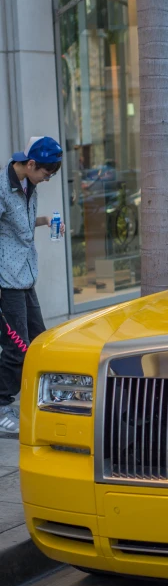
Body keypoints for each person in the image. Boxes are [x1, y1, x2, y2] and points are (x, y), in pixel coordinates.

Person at [0, 136, 65, 437]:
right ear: (30, 164)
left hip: (24, 275)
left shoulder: (29, 185)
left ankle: (44, 396)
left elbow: (19, 226)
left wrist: (47, 222)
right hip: (6, 281)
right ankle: (1, 407)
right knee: (17, 347)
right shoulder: (2, 187)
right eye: (46, 173)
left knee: (38, 339)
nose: (47, 179)